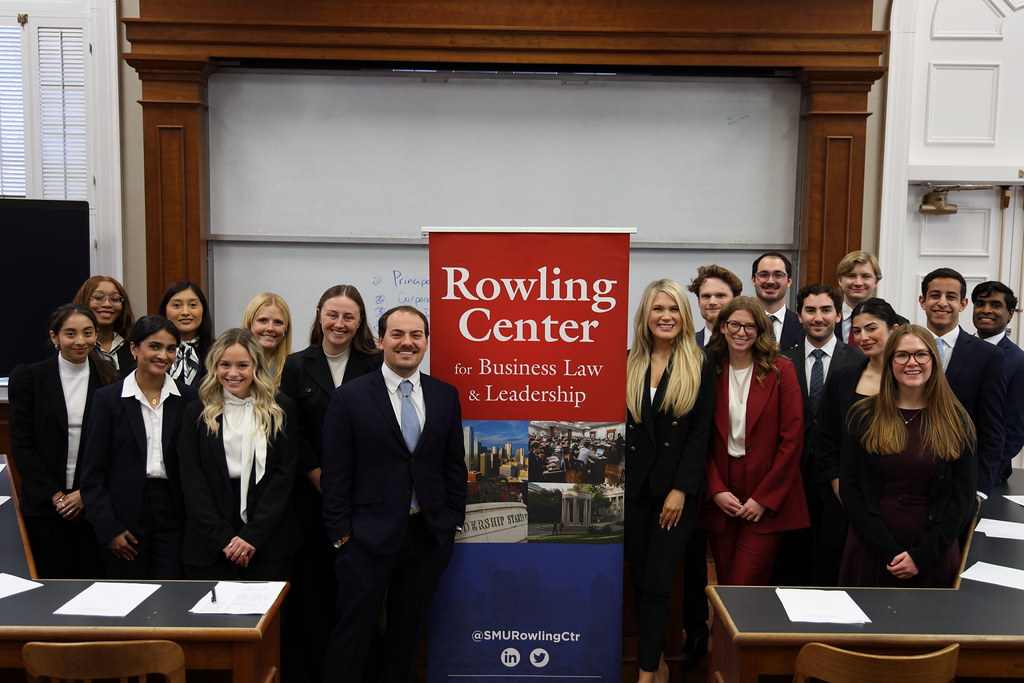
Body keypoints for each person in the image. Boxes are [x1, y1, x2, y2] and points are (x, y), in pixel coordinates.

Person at [321, 305, 468, 683]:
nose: (407, 343)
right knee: (352, 636)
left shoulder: (445, 396)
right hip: (364, 538)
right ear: (380, 340)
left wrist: (451, 519)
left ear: (426, 342)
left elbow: (453, 464)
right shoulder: (350, 397)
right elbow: (336, 473)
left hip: (426, 536)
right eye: (398, 334)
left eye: (416, 335)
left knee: (406, 638)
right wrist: (342, 534)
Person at [279, 284, 382, 683]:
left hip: (363, 498)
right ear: (320, 315)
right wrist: (319, 476)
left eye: (349, 317)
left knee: (359, 592)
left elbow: (382, 431)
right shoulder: (296, 364)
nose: (339, 324)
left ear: (360, 323)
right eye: (332, 315)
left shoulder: (374, 364)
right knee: (315, 589)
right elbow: (290, 432)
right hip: (311, 496)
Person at [624, 279, 715, 683]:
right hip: (632, 492)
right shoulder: (627, 361)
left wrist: (681, 490)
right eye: (658, 309)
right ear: (646, 315)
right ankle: (655, 659)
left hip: (676, 493)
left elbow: (699, 435)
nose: (666, 316)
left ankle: (646, 675)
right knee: (641, 580)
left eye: (674, 309)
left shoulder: (701, 362)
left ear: (685, 315)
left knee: (660, 582)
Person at [839, 325, 977, 587]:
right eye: (902, 355)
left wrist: (922, 555)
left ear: (933, 361)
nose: (912, 362)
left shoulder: (957, 420)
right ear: (890, 362)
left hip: (933, 549)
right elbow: (851, 488)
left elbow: (963, 498)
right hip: (872, 545)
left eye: (921, 355)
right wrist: (889, 550)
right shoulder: (863, 415)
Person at [699, 296, 807, 585]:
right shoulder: (709, 370)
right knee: (725, 583)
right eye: (734, 324)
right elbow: (699, 439)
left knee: (741, 584)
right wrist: (715, 490)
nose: (741, 332)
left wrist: (764, 498)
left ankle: (730, 633)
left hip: (767, 491)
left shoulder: (781, 370)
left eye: (750, 326)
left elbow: (792, 440)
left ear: (760, 331)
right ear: (722, 327)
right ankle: (723, 633)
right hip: (723, 491)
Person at [79, 315, 197, 579]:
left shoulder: (189, 398)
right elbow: (92, 474)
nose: (163, 355)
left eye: (170, 349)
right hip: (125, 514)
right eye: (154, 346)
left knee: (172, 593)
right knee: (130, 597)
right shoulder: (108, 400)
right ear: (134, 348)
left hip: (174, 511)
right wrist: (108, 528)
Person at [178, 328, 301, 580]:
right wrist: (222, 538)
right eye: (225, 365)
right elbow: (192, 479)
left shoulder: (280, 408)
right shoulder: (196, 412)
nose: (233, 373)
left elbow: (284, 476)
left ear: (256, 365)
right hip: (210, 537)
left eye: (242, 365)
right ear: (214, 366)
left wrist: (252, 536)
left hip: (267, 537)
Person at [8, 304, 120, 578]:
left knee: (93, 586)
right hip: (45, 507)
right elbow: (22, 445)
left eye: (88, 333)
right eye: (70, 333)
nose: (80, 341)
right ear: (54, 337)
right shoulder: (29, 377)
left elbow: (115, 446)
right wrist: (55, 497)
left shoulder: (110, 379)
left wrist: (84, 493)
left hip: (93, 505)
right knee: (49, 586)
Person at [775, 284, 864, 586]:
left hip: (839, 479)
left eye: (826, 310)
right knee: (791, 561)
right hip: (792, 477)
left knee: (832, 561)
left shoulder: (858, 361)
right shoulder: (780, 361)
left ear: (839, 315)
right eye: (810, 310)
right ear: (798, 316)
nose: (818, 317)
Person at [814, 297, 901, 584]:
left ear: (895, 329)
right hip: (844, 504)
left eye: (872, 328)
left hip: (896, 505)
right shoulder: (843, 377)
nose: (863, 337)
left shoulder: (913, 378)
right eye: (857, 330)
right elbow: (825, 440)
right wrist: (843, 492)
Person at [919, 268, 1005, 498]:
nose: (942, 303)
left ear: (964, 303)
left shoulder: (987, 355)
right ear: (922, 301)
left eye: (951, 297)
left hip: (959, 479)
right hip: (906, 474)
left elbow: (992, 428)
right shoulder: (904, 348)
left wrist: (979, 489)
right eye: (935, 295)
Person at [971, 281, 1024, 484]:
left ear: (1010, 313)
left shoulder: (1018, 362)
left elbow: (1016, 429)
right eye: (980, 303)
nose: (986, 310)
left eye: (995, 305)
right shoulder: (958, 347)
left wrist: (987, 469)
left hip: (988, 472)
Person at [73, 276, 137, 377]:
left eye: (114, 299)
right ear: (84, 302)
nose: (107, 304)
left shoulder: (134, 346)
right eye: (98, 298)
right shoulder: (73, 347)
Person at [158, 281, 214, 387]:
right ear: (164, 310)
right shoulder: (154, 352)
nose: (185, 312)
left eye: (193, 305)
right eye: (176, 305)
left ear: (203, 310)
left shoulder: (217, 351)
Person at [750, 252, 802, 351]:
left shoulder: (803, 327)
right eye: (763, 275)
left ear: (789, 281)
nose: (770, 281)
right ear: (753, 280)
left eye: (778, 275)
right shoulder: (739, 325)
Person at [241, 292, 293, 387]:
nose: (270, 328)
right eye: (263, 320)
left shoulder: (296, 368)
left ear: (286, 329)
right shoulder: (231, 364)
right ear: (249, 324)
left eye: (278, 322)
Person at [687, 264, 743, 348]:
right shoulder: (685, 346)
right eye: (706, 296)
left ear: (735, 300)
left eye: (720, 295)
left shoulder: (751, 345)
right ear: (699, 302)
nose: (712, 302)